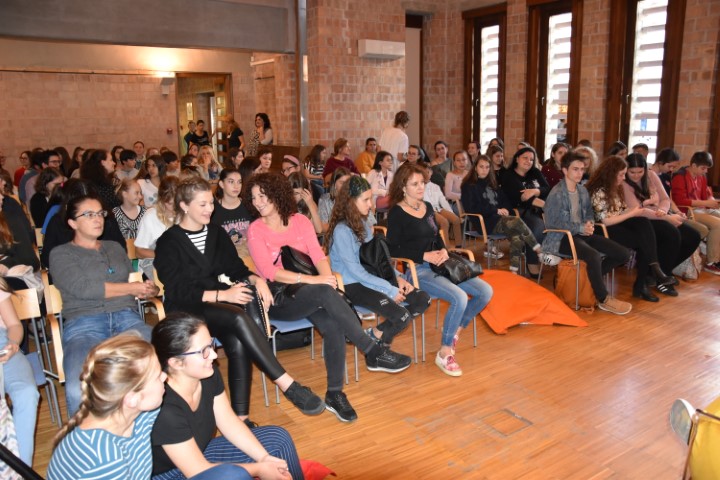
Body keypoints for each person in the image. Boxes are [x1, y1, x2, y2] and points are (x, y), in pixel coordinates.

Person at [245, 173, 412, 423]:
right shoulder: (256, 230)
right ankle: (372, 351)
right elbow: (269, 272)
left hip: (309, 292)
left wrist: (327, 278)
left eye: (262, 195)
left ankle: (335, 394)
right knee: (324, 292)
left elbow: (318, 255)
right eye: (253, 198)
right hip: (277, 297)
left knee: (333, 322)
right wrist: (317, 281)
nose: (257, 202)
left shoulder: (300, 221)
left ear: (276, 193)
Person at [154, 177, 325, 420]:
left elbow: (236, 268)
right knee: (236, 316)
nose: (210, 209)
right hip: (185, 310)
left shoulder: (215, 233)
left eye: (211, 203)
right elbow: (176, 290)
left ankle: (241, 418)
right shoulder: (168, 242)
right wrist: (223, 294)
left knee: (237, 341)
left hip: (215, 307)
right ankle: (286, 383)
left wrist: (258, 280)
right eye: (202, 204)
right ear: (184, 206)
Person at [151, 314, 301, 480]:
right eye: (204, 351)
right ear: (176, 363)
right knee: (235, 476)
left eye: (211, 345)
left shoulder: (207, 373)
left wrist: (264, 458)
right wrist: (259, 469)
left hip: (200, 451)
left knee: (279, 439)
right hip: (171, 473)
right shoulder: (165, 408)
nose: (214, 355)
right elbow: (197, 471)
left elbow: (228, 421)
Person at [49, 194, 157, 416]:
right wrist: (131, 289)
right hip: (84, 324)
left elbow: (132, 281)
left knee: (161, 363)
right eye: (89, 214)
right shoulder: (61, 253)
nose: (98, 219)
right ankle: (83, 436)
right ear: (72, 223)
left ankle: (154, 429)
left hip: (126, 318)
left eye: (100, 213)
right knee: (78, 388)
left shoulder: (114, 247)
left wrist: (148, 289)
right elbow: (84, 289)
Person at [386, 164, 493, 377]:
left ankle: (455, 331)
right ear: (403, 187)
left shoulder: (426, 206)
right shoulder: (397, 212)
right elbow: (392, 248)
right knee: (460, 298)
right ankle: (445, 352)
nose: (421, 187)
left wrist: (444, 250)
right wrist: (423, 256)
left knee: (485, 292)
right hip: (418, 270)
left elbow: (436, 236)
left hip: (441, 264)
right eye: (415, 184)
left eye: (422, 183)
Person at [326, 176, 430, 347]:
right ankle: (380, 349)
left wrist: (398, 278)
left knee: (422, 299)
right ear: (351, 201)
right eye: (366, 200)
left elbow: (377, 259)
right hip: (352, 284)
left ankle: (375, 334)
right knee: (401, 317)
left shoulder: (363, 224)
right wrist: (388, 288)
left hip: (371, 277)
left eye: (371, 199)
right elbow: (356, 272)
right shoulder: (342, 230)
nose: (371, 204)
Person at [47, 334, 165, 480]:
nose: (165, 376)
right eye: (158, 376)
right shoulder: (106, 459)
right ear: (132, 399)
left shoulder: (139, 415)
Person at [542, 150, 633, 314]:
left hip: (581, 234)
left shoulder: (582, 190)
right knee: (593, 256)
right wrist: (580, 228)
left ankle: (587, 280)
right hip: (561, 238)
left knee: (623, 254)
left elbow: (589, 213)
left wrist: (589, 223)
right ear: (565, 170)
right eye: (575, 169)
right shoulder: (556, 194)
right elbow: (553, 223)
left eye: (582, 169)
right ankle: (603, 298)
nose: (579, 173)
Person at [587, 155, 679, 302]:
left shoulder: (615, 188)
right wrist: (632, 213)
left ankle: (649, 274)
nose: (624, 178)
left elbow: (621, 210)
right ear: (611, 173)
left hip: (617, 223)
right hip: (602, 229)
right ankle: (644, 281)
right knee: (644, 240)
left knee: (643, 224)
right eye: (621, 174)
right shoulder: (599, 191)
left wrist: (634, 211)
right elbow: (606, 221)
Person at [623, 153, 701, 294]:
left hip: (659, 215)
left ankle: (660, 272)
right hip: (640, 220)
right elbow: (637, 210)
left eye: (640, 172)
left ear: (645, 169)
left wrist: (663, 211)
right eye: (632, 172)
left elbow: (665, 199)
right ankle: (662, 278)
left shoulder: (651, 175)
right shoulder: (624, 182)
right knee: (672, 234)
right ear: (626, 170)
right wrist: (666, 218)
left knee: (693, 236)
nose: (636, 176)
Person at [461, 155, 540, 273]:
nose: (484, 170)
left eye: (487, 167)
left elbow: (505, 201)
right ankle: (537, 249)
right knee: (516, 220)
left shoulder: (493, 184)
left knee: (516, 236)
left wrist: (506, 209)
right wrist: (496, 210)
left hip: (500, 220)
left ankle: (514, 271)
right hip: (484, 222)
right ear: (475, 168)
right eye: (481, 167)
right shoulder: (468, 186)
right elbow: (472, 208)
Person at [0, 277, 39, 466]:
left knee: (27, 392)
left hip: (3, 345)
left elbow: (14, 325)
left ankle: (21, 469)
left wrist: (13, 344)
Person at [501, 146, 548, 277]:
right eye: (525, 158)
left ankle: (554, 257)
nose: (528, 161)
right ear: (517, 159)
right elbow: (523, 198)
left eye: (531, 159)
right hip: (518, 212)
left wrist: (535, 191)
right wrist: (546, 205)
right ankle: (532, 262)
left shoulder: (535, 172)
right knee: (538, 227)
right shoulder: (509, 175)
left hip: (537, 210)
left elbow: (547, 188)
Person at [671, 151, 720, 275]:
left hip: (700, 209)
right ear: (693, 165)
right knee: (718, 224)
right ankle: (712, 262)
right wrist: (706, 203)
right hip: (687, 211)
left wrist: (711, 201)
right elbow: (680, 201)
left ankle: (715, 252)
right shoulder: (680, 177)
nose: (706, 171)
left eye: (707, 168)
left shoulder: (701, 177)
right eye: (703, 168)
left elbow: (705, 196)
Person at [135, 177, 179, 280]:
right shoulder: (150, 216)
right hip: (153, 264)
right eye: (170, 203)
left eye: (177, 202)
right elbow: (139, 252)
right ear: (162, 199)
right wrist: (164, 255)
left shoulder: (184, 213)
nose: (175, 207)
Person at [415, 162, 462, 248]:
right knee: (444, 222)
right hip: (428, 210)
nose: (426, 175)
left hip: (438, 208)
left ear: (431, 172)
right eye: (423, 173)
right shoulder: (419, 187)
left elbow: (443, 200)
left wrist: (451, 212)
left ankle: (459, 247)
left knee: (456, 220)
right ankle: (446, 248)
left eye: (427, 172)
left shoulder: (436, 186)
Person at [211, 168, 253, 256]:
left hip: (249, 255)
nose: (236, 186)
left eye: (239, 182)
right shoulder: (212, 210)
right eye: (231, 182)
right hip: (225, 257)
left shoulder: (250, 206)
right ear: (221, 184)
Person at [318, 167, 352, 233]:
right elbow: (323, 226)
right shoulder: (325, 200)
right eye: (342, 182)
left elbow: (368, 224)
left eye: (348, 183)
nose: (345, 186)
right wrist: (342, 231)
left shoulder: (355, 199)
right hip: (333, 235)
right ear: (334, 184)